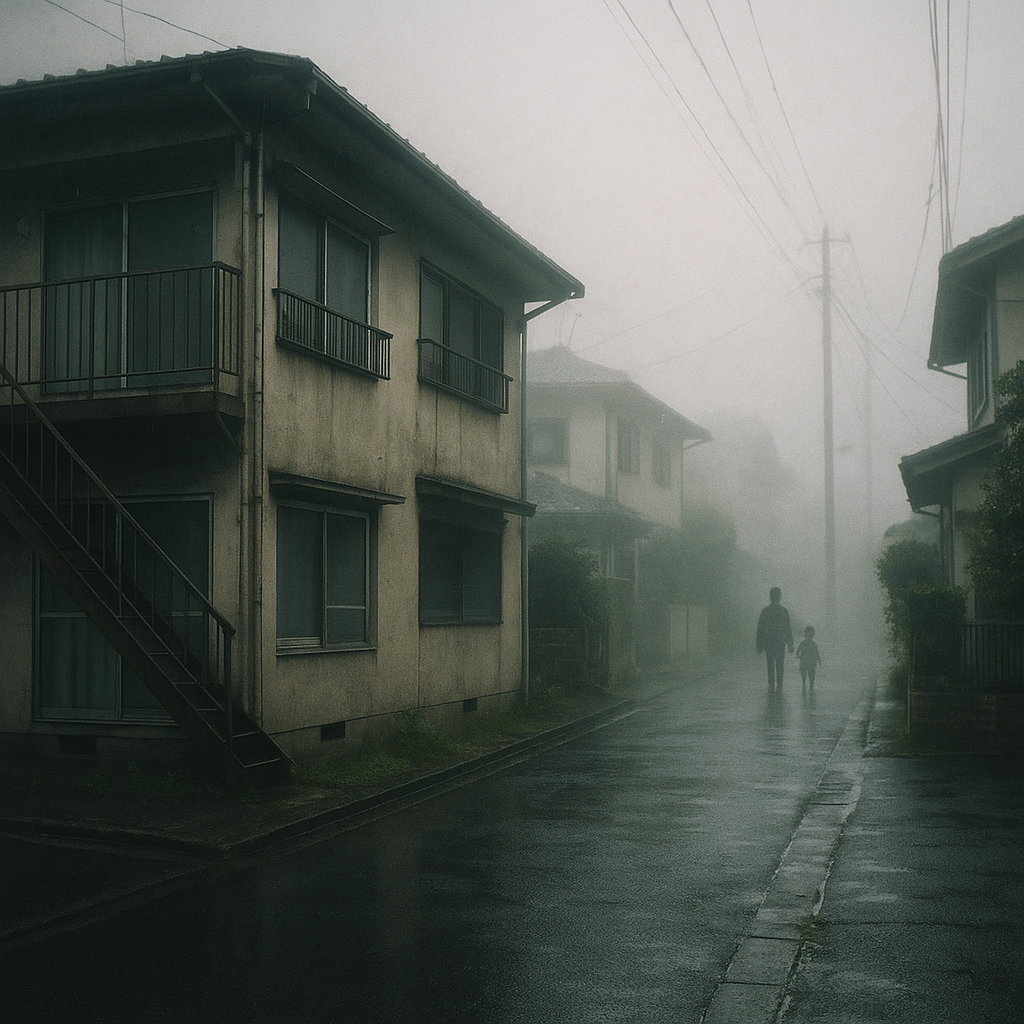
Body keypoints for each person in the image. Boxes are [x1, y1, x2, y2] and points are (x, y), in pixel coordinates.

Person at [755, 587, 793, 690]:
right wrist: (790, 643)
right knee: (780, 664)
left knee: (770, 664)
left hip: (769, 642)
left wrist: (759, 645)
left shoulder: (766, 611)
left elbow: (760, 629)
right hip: (779, 641)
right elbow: (788, 628)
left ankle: (772, 684)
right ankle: (779, 684)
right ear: (780, 597)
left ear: (770, 597)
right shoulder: (783, 611)